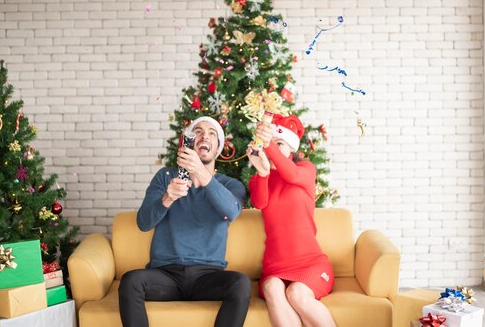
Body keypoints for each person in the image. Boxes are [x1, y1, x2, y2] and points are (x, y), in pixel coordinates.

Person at [118, 116, 251, 327]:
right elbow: (143, 223)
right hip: (165, 275)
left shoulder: (229, 185)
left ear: (218, 149)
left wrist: (200, 172)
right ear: (188, 142)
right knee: (131, 281)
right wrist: (167, 198)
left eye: (211, 133)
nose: (204, 136)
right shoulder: (166, 177)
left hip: (207, 276)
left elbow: (231, 212)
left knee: (241, 283)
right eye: (198, 131)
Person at [246, 114, 336, 327]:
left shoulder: (305, 170)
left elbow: (292, 175)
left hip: (310, 263)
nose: (273, 149)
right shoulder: (260, 178)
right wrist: (262, 173)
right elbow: (259, 202)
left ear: (291, 149)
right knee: (271, 288)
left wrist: (268, 145)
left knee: (297, 293)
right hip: (275, 267)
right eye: (271, 144)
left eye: (279, 144)